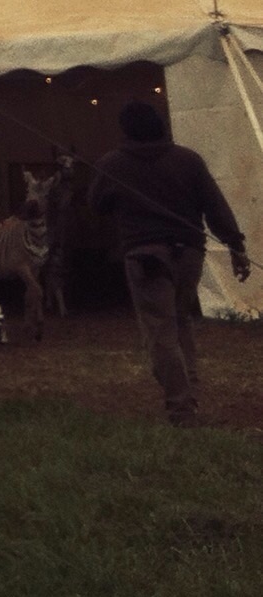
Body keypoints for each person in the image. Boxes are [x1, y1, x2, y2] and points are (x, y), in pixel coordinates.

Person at [91, 99, 252, 426]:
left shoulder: (113, 163)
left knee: (160, 331)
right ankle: (188, 391)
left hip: (145, 256)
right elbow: (215, 206)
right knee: (180, 322)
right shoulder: (188, 160)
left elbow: (95, 205)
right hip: (189, 253)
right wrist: (236, 246)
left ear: (126, 130)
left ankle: (180, 409)